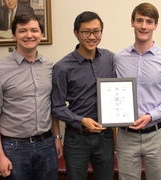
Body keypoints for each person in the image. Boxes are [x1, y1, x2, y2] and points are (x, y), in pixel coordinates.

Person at [0, 13, 62, 179]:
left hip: (46, 145)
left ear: (41, 35)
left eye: (34, 30)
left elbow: (52, 105)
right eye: (22, 31)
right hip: (14, 148)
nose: (29, 35)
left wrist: (57, 137)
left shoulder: (50, 67)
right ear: (14, 35)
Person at [114, 3, 161, 180]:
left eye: (149, 21)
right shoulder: (118, 58)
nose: (144, 26)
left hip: (155, 135)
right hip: (126, 136)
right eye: (139, 20)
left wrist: (151, 115)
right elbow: (112, 92)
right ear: (132, 22)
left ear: (155, 25)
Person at [51, 11, 115, 180]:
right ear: (76, 33)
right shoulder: (62, 67)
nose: (92, 36)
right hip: (77, 138)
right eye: (86, 32)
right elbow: (56, 107)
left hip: (105, 136)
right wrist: (82, 121)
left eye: (97, 31)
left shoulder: (110, 58)